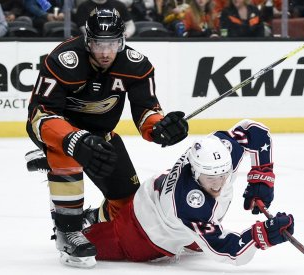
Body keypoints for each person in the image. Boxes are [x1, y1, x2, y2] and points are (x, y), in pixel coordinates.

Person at [25, 8, 189, 268]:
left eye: (112, 44)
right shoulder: (63, 60)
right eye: (98, 44)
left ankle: (93, 216)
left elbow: (147, 111)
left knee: (128, 209)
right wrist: (72, 139)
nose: (105, 52)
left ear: (121, 41)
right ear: (88, 40)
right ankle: (68, 230)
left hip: (102, 137)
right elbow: (38, 116)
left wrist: (162, 128)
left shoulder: (136, 65)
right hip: (62, 131)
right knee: (67, 153)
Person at [27, 119, 293, 266]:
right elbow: (229, 250)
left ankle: (94, 214)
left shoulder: (222, 150)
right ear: (195, 170)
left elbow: (255, 133)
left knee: (195, 242)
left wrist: (262, 177)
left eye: (224, 174)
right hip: (139, 238)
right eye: (210, 178)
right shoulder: (190, 203)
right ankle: (58, 157)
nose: (219, 183)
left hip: (156, 210)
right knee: (81, 245)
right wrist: (262, 235)